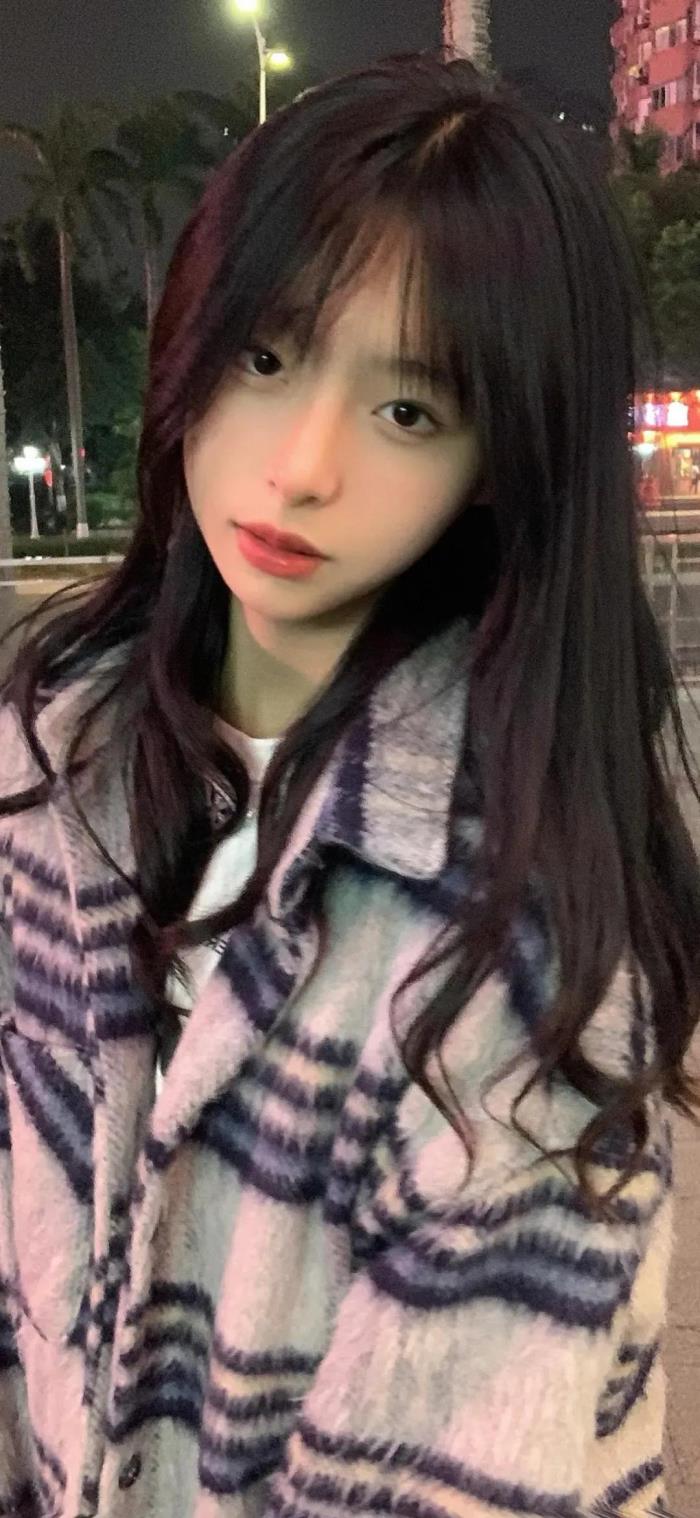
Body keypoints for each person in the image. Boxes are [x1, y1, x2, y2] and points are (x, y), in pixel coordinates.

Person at [0, 51, 697, 1518]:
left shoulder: (506, 941)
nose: (302, 467)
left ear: (498, 462)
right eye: (266, 358)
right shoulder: (60, 762)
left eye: (409, 412)